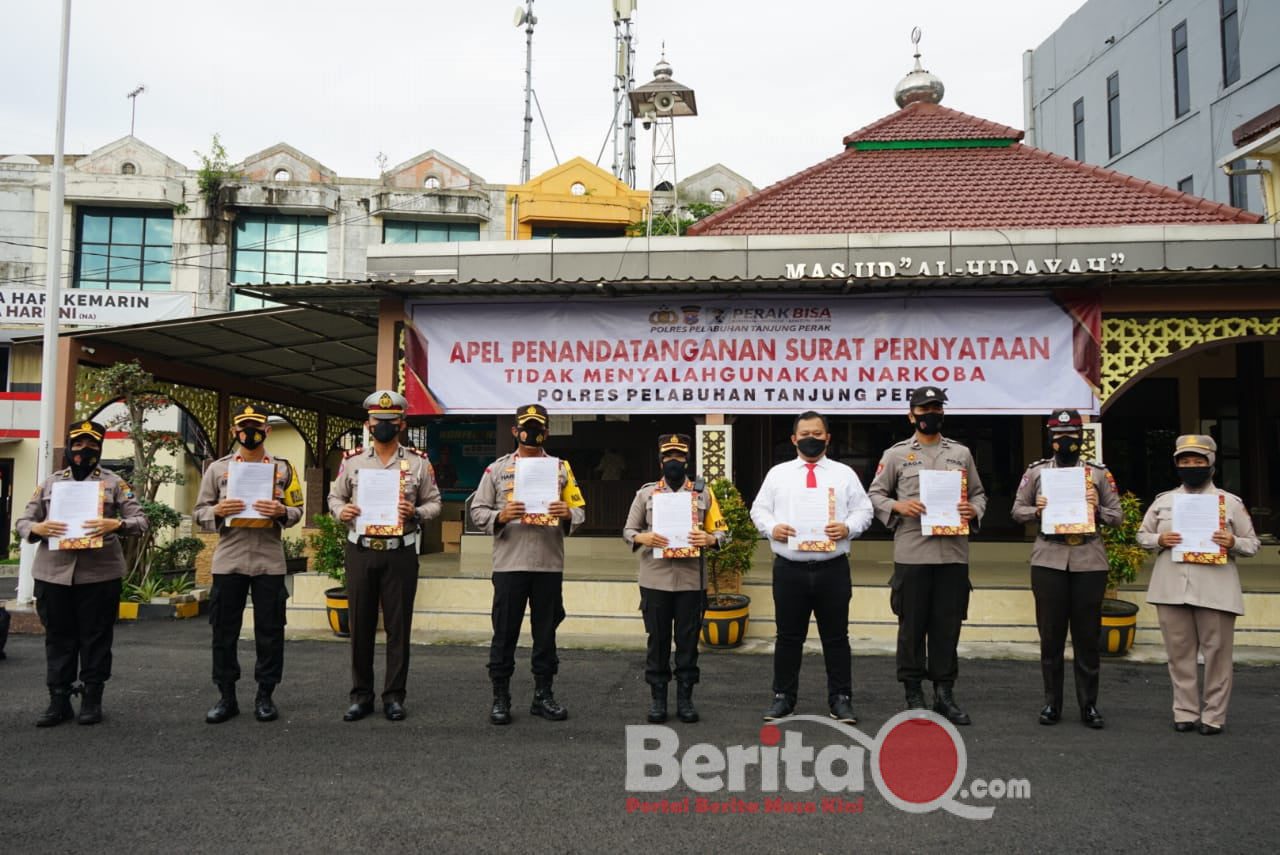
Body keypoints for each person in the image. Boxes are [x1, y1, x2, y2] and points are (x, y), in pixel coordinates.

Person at [16, 420, 147, 726]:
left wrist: (116, 524)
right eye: (78, 443)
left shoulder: (116, 484)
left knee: (96, 637)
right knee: (59, 638)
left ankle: (92, 698)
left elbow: (140, 520)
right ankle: (58, 699)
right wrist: (37, 528)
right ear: (69, 444)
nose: (83, 450)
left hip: (99, 574)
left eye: (91, 444)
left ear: (100, 447)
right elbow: (23, 521)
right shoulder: (50, 483)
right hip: (53, 574)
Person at [867, 387, 986, 725]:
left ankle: (944, 695)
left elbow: (979, 494)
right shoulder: (896, 455)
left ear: (943, 414)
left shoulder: (961, 454)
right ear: (911, 415)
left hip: (952, 555)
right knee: (912, 626)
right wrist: (897, 505)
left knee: (947, 627)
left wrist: (971, 509)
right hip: (913, 553)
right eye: (924, 409)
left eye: (935, 408)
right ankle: (913, 692)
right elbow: (875, 494)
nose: (930, 414)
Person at [750, 411, 874, 723]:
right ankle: (783, 697)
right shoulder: (778, 474)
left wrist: (848, 527)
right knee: (788, 638)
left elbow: (865, 510)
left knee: (836, 638)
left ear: (828, 438)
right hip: (789, 569)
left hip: (832, 568)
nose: (811, 438)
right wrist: (772, 527)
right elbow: (759, 510)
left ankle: (841, 698)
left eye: (818, 433)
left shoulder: (844, 474)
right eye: (805, 433)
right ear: (793, 439)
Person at [469, 404, 586, 725]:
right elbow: (477, 511)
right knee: (504, 633)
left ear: (546, 432)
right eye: (526, 426)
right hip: (510, 564)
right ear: (514, 430)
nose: (531, 432)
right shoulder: (496, 470)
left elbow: (579, 511)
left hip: (548, 564)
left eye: (538, 427)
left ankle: (543, 695)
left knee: (545, 634)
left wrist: (567, 513)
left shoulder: (561, 469)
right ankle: (500, 697)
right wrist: (500, 516)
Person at [328, 390, 441, 722]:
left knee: (398, 626)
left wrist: (416, 511)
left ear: (402, 424)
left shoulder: (419, 462)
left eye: (391, 422)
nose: (384, 426)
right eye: (378, 422)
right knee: (360, 625)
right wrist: (343, 510)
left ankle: (394, 696)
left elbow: (434, 502)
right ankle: (361, 696)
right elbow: (334, 499)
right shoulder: (352, 462)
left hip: (400, 551)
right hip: (361, 549)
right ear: (368, 424)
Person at [1138, 435, 1259, 735]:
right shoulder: (1163, 502)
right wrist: (1158, 539)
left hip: (1215, 589)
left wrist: (1232, 542)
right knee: (1179, 654)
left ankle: (1214, 716)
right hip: (1171, 588)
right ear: (1177, 465)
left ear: (1211, 464)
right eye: (1185, 461)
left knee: (1217, 655)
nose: (1191, 466)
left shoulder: (1229, 503)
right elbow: (1142, 536)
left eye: (1198, 461)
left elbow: (1253, 543)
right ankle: (1185, 711)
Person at [194, 405, 305, 724]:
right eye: (244, 428)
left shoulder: (283, 469)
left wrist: (281, 512)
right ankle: (226, 696)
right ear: (235, 432)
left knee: (270, 632)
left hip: (269, 561)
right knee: (223, 631)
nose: (250, 433)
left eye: (256, 427)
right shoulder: (217, 469)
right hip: (229, 560)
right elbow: (199, 512)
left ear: (267, 431)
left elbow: (297, 510)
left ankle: (265, 696)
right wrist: (217, 510)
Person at [1011, 409, 1121, 729]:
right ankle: (1052, 703)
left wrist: (1096, 508)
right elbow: (1017, 511)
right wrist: (1037, 509)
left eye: (1071, 434)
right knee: (1051, 636)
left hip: (1088, 558)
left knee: (1087, 637)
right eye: (1059, 436)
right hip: (1049, 558)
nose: (1065, 441)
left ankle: (1089, 705)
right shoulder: (1037, 472)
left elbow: (1118, 517)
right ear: (1050, 438)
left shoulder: (1098, 474)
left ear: (1081, 437)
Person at [623, 434, 727, 723]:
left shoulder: (703, 494)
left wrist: (709, 538)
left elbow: (723, 533)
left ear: (687, 460)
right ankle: (658, 699)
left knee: (688, 641)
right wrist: (643, 536)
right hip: (655, 581)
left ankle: (685, 699)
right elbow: (628, 531)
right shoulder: (645, 495)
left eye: (679, 457)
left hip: (691, 581)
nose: (673, 462)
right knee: (657, 641)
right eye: (668, 456)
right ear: (660, 460)